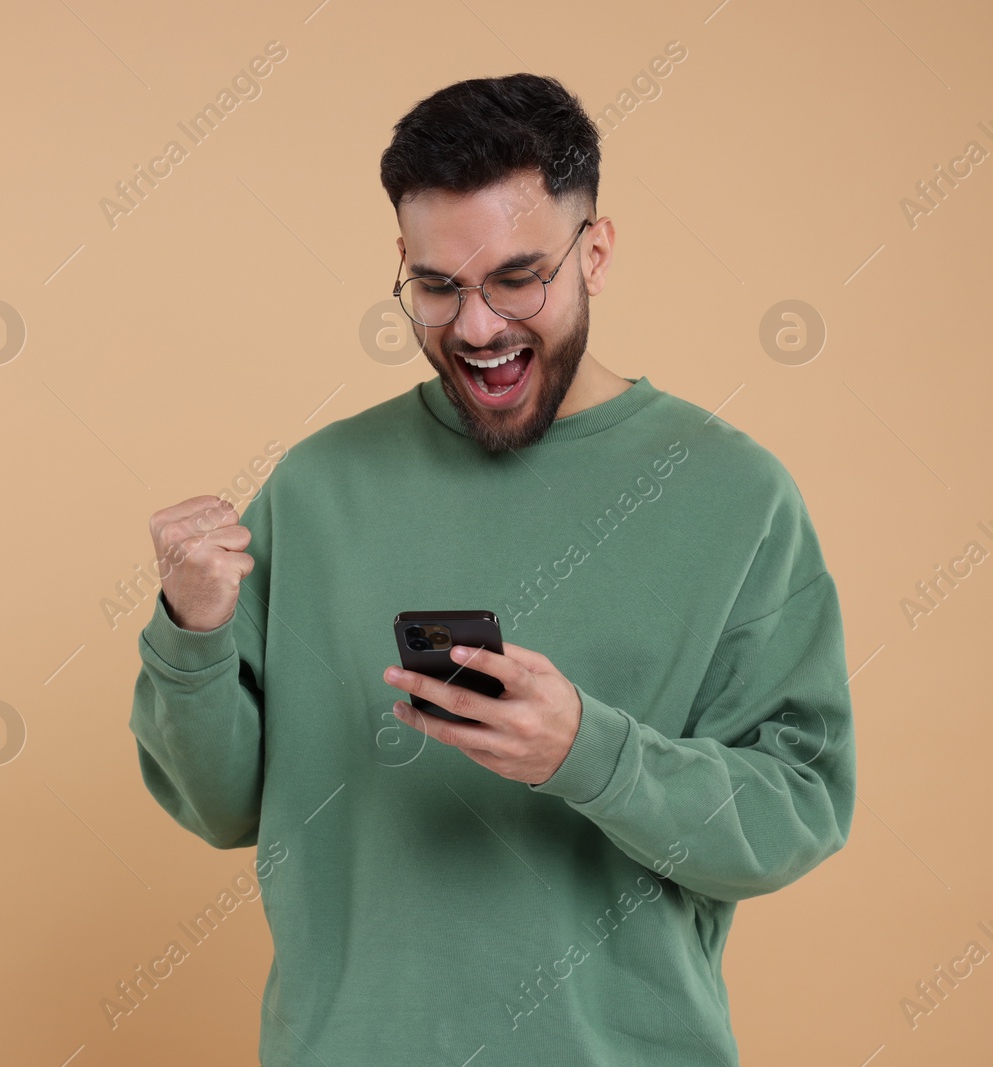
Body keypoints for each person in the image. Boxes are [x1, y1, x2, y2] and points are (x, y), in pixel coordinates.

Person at [128, 72, 856, 1065]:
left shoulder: (734, 495)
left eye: (518, 278)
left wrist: (586, 751)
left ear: (594, 252)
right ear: (402, 264)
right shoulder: (316, 487)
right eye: (437, 286)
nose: (475, 328)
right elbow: (220, 806)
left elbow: (796, 811)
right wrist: (193, 631)